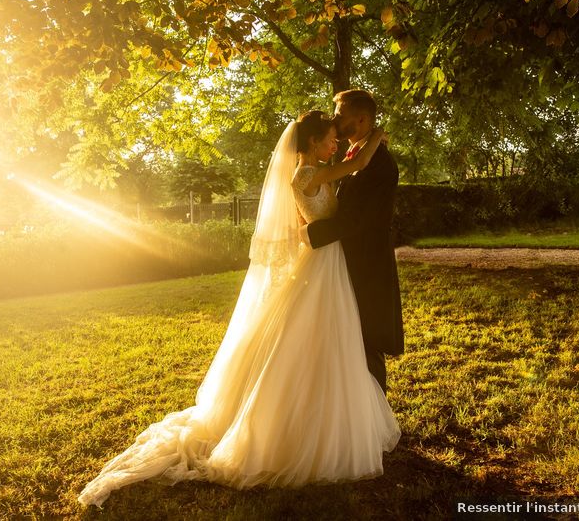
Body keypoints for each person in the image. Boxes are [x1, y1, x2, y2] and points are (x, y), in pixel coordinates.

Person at [78, 111, 400, 508]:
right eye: (330, 139)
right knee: (314, 333)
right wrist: (377, 136)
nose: (336, 145)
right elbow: (359, 164)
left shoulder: (316, 169)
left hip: (326, 260)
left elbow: (350, 172)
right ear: (313, 143)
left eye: (337, 140)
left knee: (328, 336)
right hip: (321, 263)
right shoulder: (305, 175)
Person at [302, 89, 404, 393]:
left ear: (360, 120)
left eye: (340, 113)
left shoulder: (380, 164)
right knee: (351, 340)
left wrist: (309, 235)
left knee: (367, 340)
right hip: (346, 265)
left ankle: (375, 421)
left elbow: (357, 220)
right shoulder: (359, 157)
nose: (334, 119)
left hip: (367, 268)